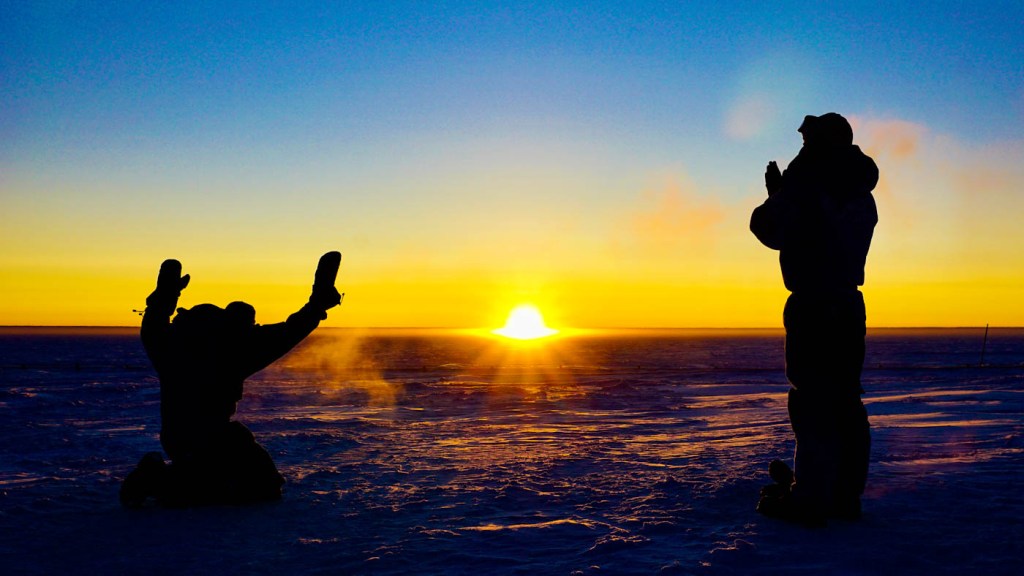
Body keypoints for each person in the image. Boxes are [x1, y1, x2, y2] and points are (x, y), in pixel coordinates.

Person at [120, 252, 342, 507]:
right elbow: (287, 332)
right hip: (212, 439)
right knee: (258, 488)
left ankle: (173, 478)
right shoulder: (231, 352)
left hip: (177, 436)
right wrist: (316, 305)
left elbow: (154, 324)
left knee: (237, 477)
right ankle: (159, 480)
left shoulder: (171, 346)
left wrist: (166, 294)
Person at [750, 113, 878, 526]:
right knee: (843, 401)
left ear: (821, 144)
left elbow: (769, 228)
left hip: (813, 303)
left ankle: (811, 498)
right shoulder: (859, 188)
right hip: (846, 304)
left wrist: (778, 195)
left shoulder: (810, 182)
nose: (801, 148)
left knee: (812, 401)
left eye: (808, 141)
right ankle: (842, 494)